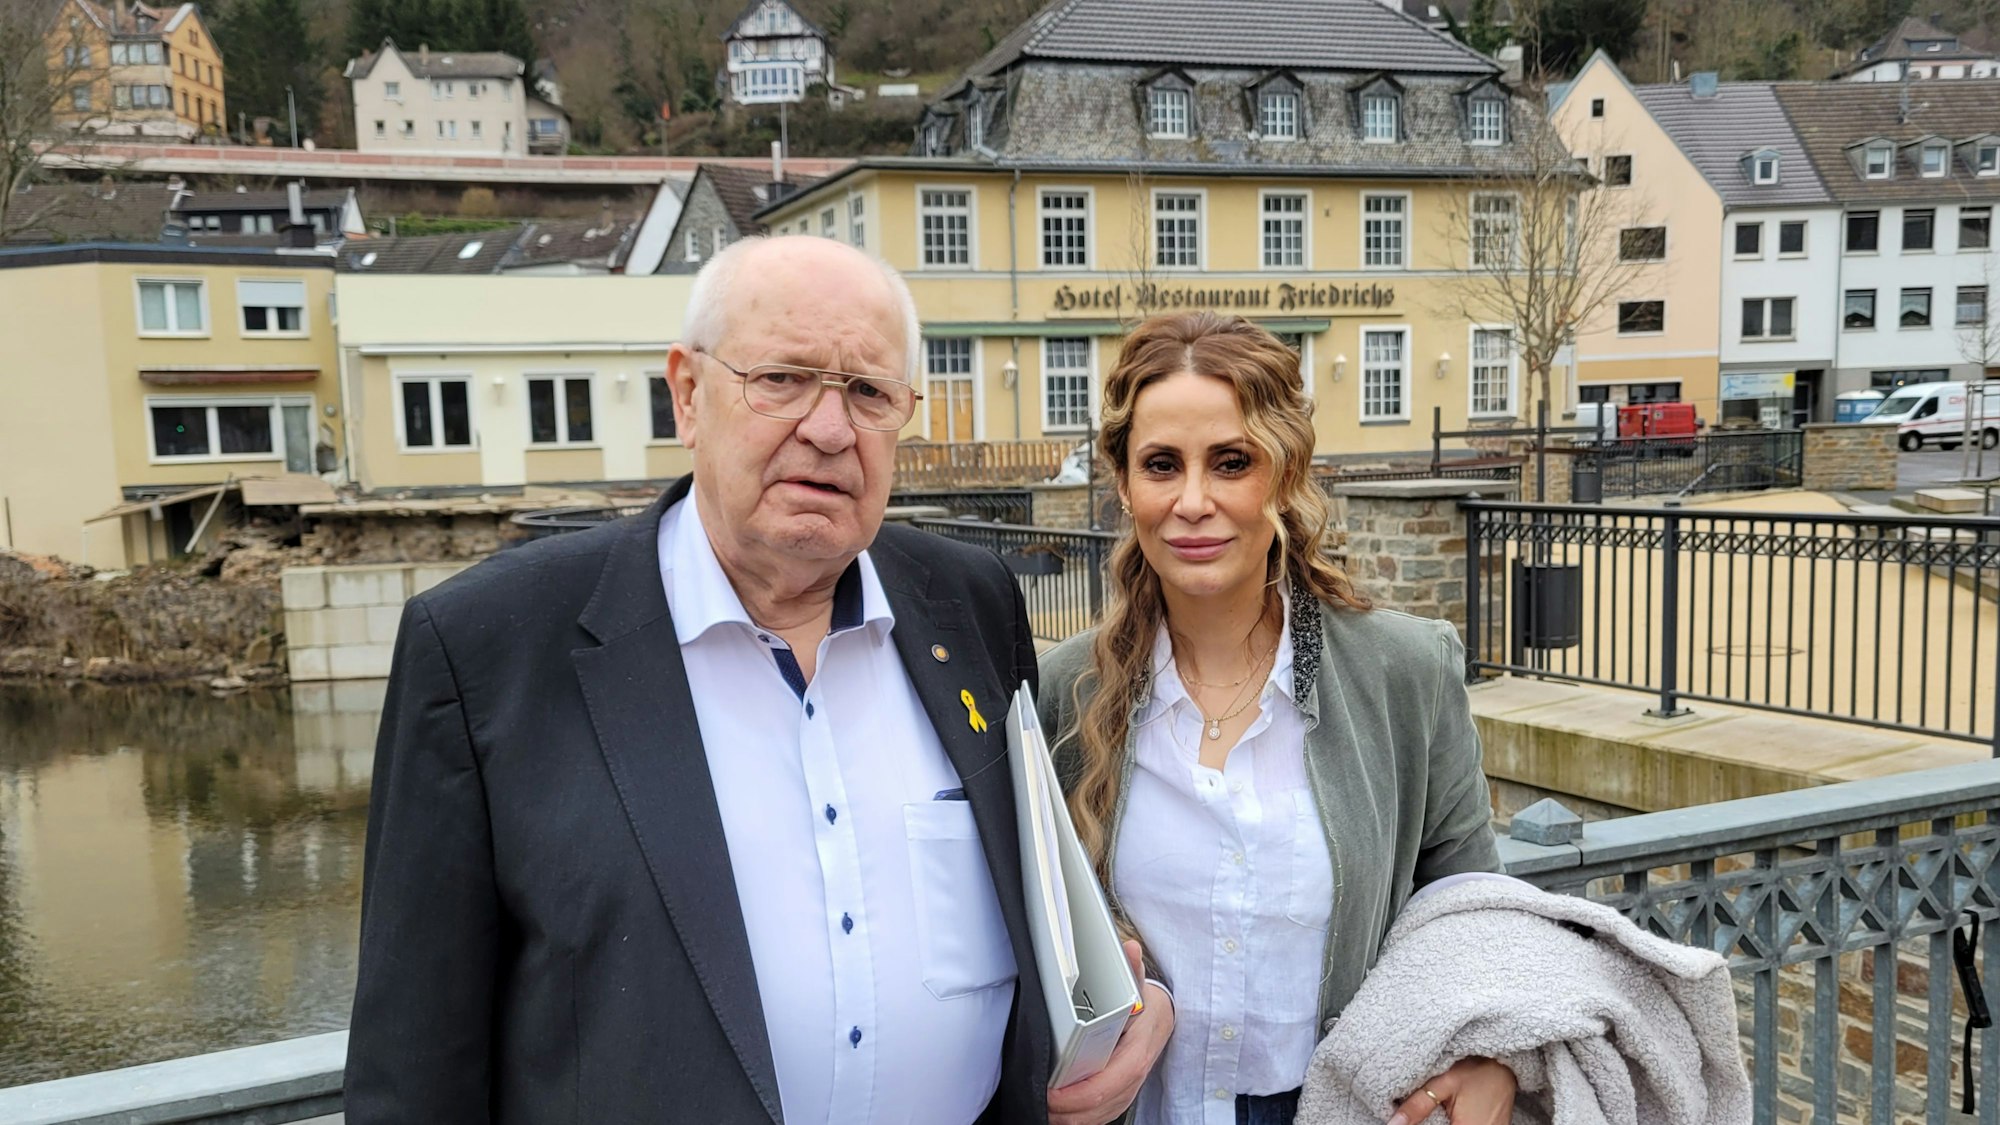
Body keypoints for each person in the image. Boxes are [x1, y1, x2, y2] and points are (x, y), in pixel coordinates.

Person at [345, 235, 1170, 1124]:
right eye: (782, 378)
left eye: (868, 391)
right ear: (689, 394)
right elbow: (414, 1068)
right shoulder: (485, 651)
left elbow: (1038, 890)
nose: (829, 427)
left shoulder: (969, 607)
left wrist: (1118, 993)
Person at [1039, 312, 1518, 1125]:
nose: (1194, 501)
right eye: (1162, 464)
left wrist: (1490, 1056)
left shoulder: (1404, 672)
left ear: (1286, 472)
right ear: (1124, 483)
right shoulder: (1063, 689)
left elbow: (1472, 904)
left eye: (1231, 462)